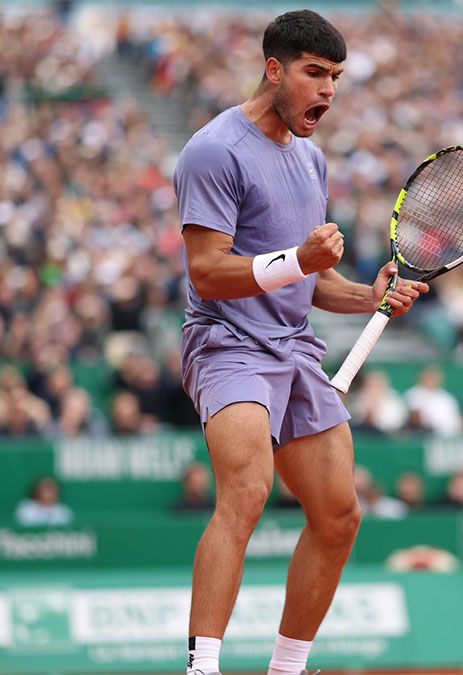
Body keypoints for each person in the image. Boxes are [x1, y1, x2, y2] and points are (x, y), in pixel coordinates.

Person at [173, 12, 429, 674]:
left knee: (340, 515)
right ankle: (203, 669)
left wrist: (369, 296)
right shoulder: (213, 151)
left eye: (336, 78)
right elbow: (208, 272)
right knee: (247, 490)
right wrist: (299, 260)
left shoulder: (312, 160)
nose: (328, 91)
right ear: (274, 69)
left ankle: (286, 670)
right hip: (228, 343)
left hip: (294, 348)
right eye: (315, 74)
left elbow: (310, 281)